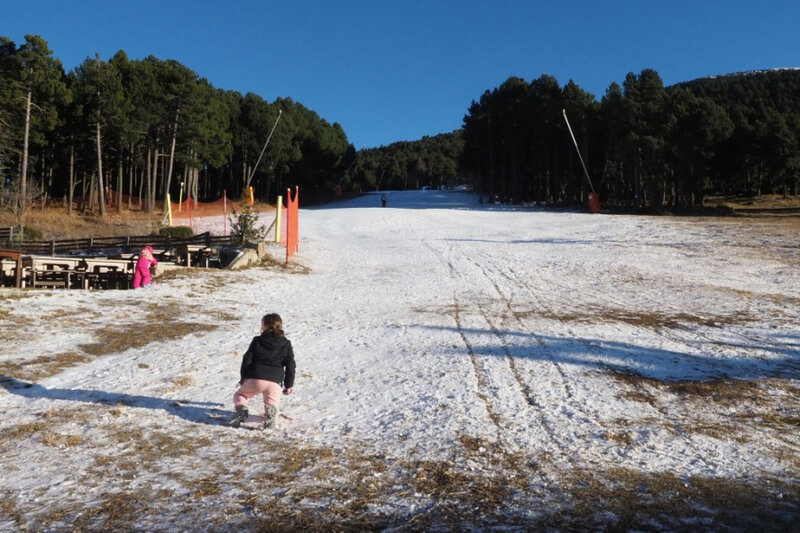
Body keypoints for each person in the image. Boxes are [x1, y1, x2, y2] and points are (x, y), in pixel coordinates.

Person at [229, 313, 296, 429]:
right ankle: (270, 415)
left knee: (240, 395)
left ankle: (242, 408)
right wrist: (288, 385)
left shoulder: (257, 341)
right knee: (271, 403)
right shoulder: (286, 343)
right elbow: (291, 365)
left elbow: (247, 359)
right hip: (275, 381)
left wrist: (244, 377)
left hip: (255, 377)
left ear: (263, 326)